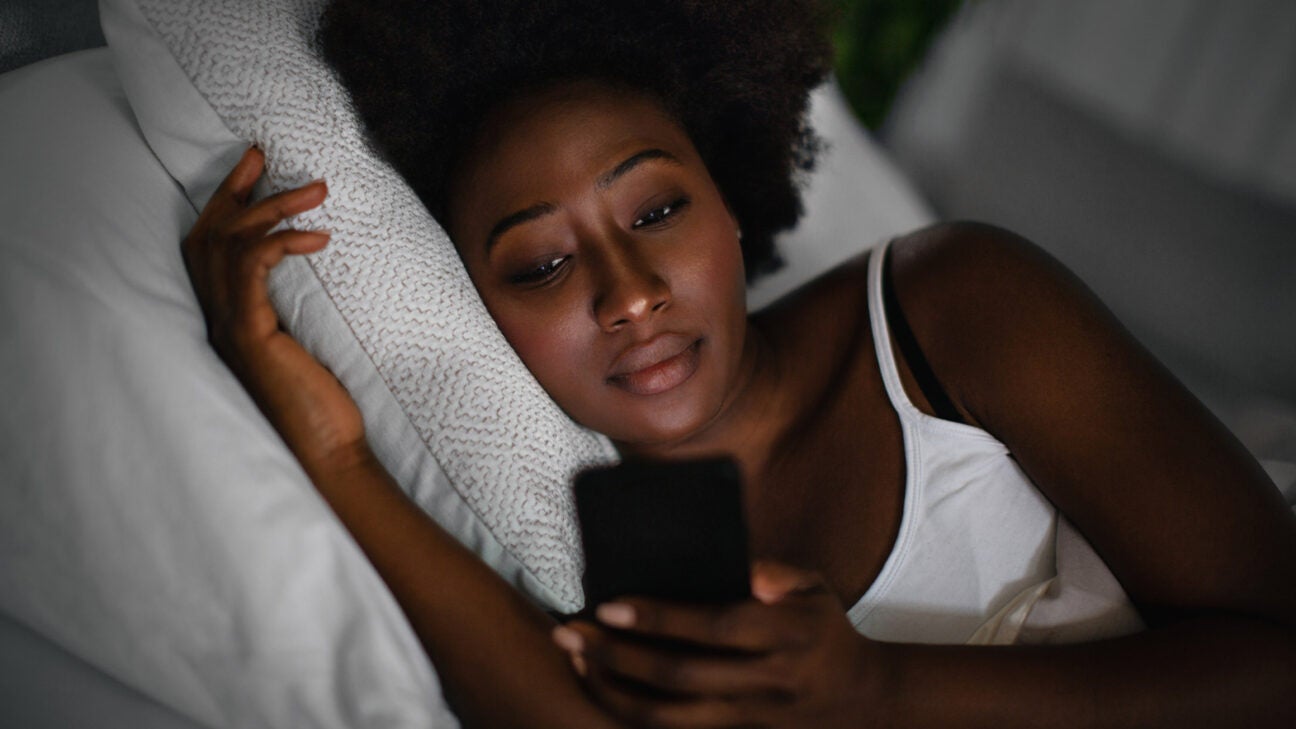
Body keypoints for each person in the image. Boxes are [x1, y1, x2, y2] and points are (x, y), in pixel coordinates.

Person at [180, 0, 1296, 726]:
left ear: (727, 193)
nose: (629, 294)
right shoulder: (597, 547)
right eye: (539, 265)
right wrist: (332, 452)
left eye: (657, 207)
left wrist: (881, 688)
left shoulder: (957, 308)